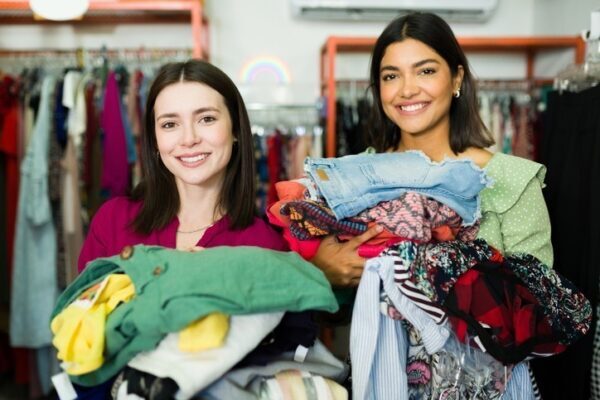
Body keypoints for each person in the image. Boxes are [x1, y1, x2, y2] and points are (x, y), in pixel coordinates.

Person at [312, 11, 552, 285]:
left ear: (456, 78)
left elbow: (540, 304)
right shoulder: (352, 173)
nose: (407, 90)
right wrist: (321, 274)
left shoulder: (512, 180)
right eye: (391, 76)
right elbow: (333, 310)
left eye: (425, 71)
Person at [78, 59, 287, 273]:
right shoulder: (112, 222)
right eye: (170, 124)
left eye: (206, 119)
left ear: (235, 129)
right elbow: (81, 305)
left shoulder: (266, 246)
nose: (189, 139)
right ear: (155, 140)